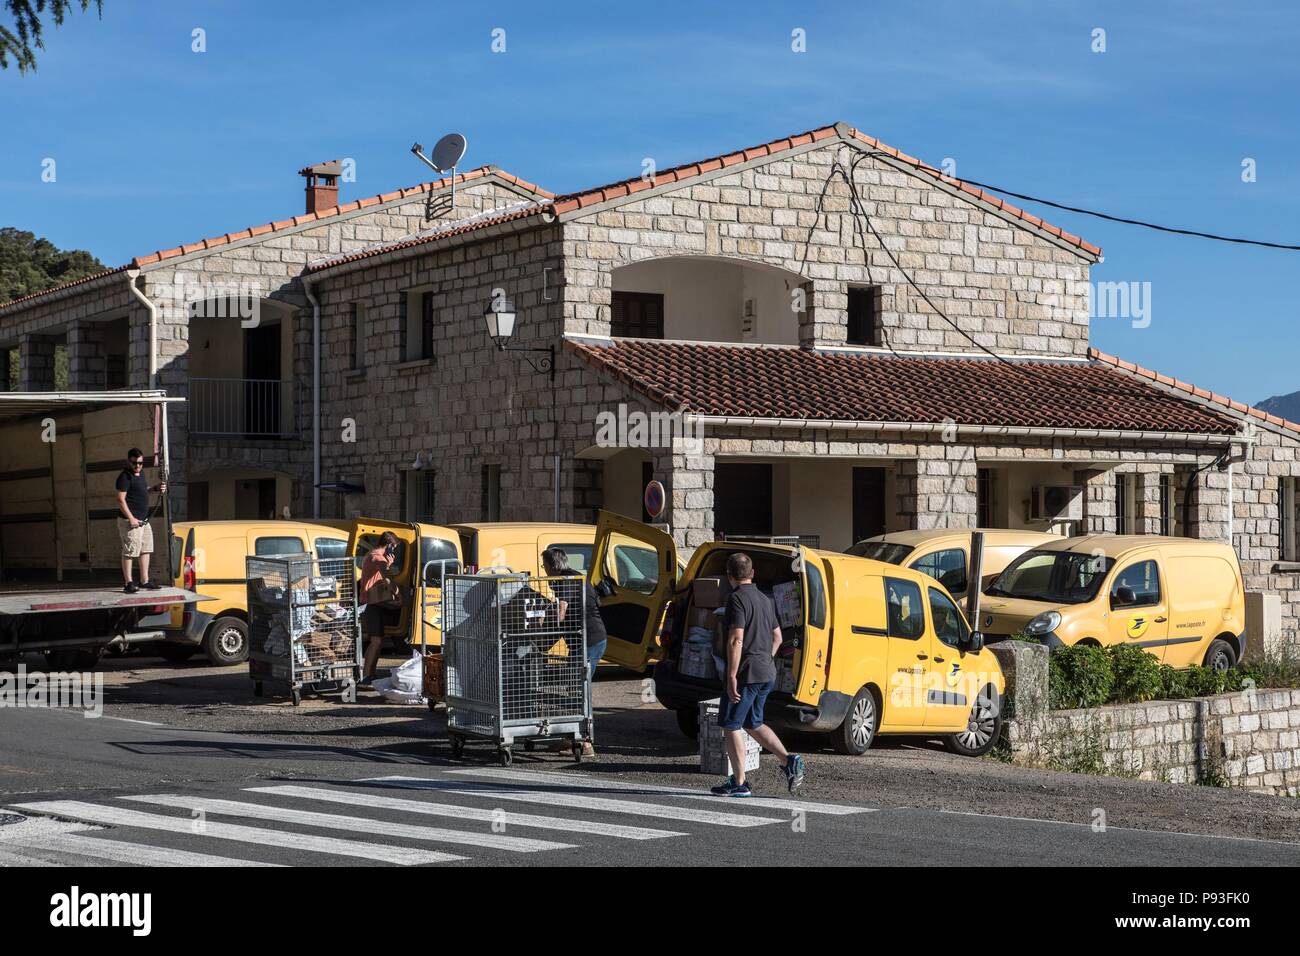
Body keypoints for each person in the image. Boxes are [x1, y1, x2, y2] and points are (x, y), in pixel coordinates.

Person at [711, 552, 805, 797]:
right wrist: (766, 658)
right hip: (766, 672)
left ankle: (740, 783)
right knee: (753, 722)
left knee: (731, 725)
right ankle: (789, 760)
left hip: (747, 673)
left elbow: (736, 638)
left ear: (729, 575)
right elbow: (778, 637)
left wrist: (732, 674)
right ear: (752, 574)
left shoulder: (736, 599)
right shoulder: (765, 599)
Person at [541, 546, 606, 757]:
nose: (544, 571)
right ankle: (570, 737)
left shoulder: (566, 581)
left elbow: (561, 614)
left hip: (589, 641)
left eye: (545, 566)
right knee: (574, 687)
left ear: (552, 566)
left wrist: (542, 615)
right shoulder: (573, 577)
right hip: (586, 640)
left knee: (580, 690)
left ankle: (585, 743)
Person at [115, 447, 166, 593]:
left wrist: (155, 488)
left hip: (143, 521)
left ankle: (145, 580)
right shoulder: (125, 477)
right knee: (130, 551)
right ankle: (128, 583)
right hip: (130, 522)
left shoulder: (140, 474)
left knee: (145, 549)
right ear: (128, 461)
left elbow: (143, 490)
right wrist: (131, 518)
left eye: (140, 463)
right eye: (134, 463)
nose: (137, 466)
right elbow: (120, 499)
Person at [359, 531, 402, 685]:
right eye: (394, 547)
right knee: (376, 641)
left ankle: (370, 673)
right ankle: (366, 675)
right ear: (389, 545)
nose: (394, 551)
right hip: (371, 604)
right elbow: (388, 579)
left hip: (372, 603)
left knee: (378, 640)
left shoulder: (371, 555)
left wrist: (388, 564)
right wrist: (398, 595)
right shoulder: (378, 558)